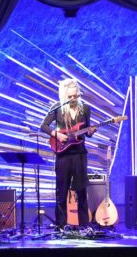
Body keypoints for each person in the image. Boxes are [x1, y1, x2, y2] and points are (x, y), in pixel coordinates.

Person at [40, 79, 94, 230]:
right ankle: (61, 226)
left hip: (79, 154)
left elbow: (87, 132)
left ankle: (84, 225)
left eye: (75, 96)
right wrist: (55, 134)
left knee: (81, 190)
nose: (72, 99)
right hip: (63, 155)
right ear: (64, 96)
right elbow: (43, 126)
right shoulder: (57, 108)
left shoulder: (85, 109)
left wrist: (90, 132)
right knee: (61, 190)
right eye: (69, 97)